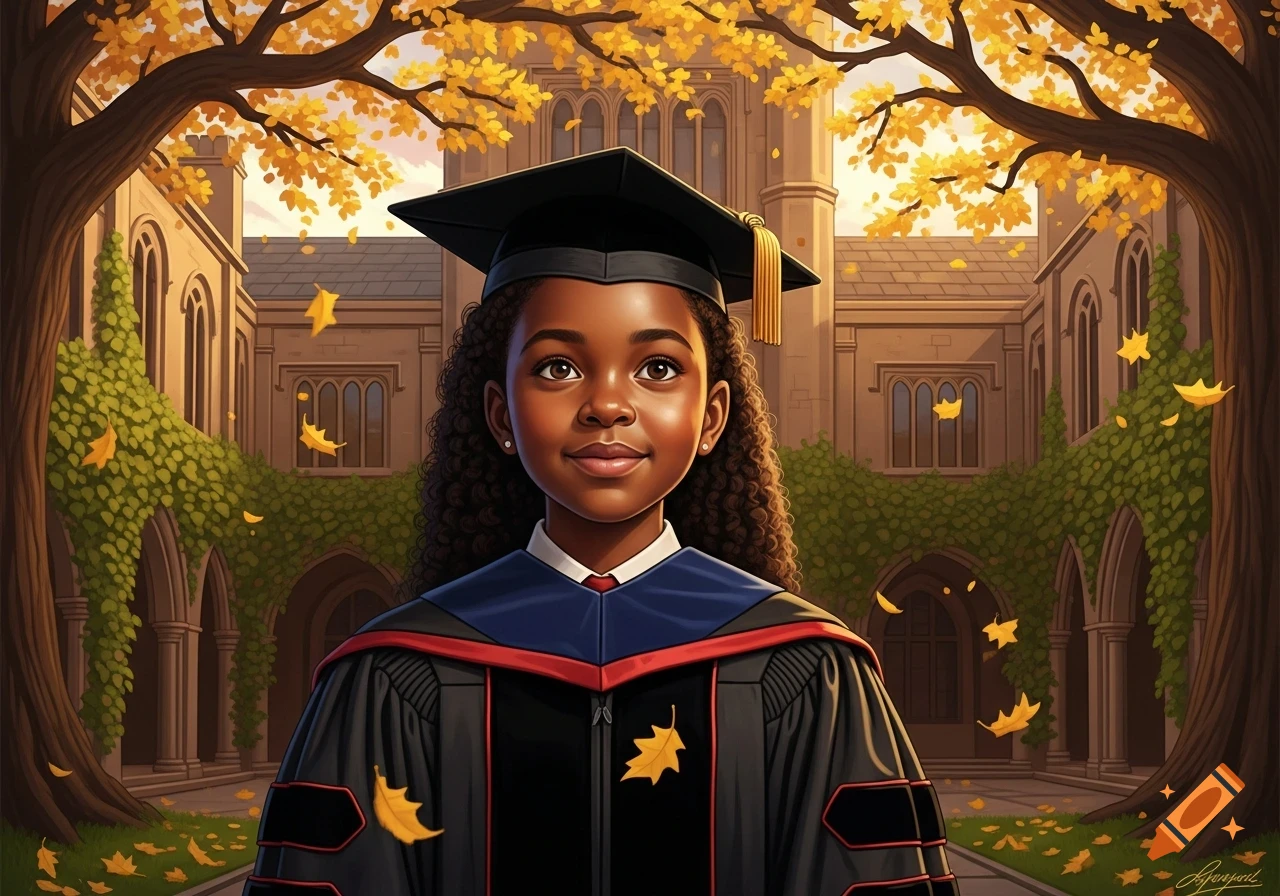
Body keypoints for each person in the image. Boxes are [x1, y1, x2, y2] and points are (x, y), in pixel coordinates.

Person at [245, 147, 958, 896]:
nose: (608, 404)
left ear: (714, 415)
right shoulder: (393, 676)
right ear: (500, 416)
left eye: (657, 368)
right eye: (557, 366)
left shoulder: (808, 671)